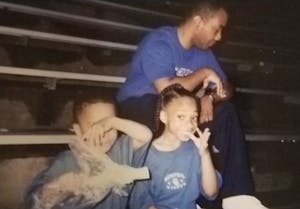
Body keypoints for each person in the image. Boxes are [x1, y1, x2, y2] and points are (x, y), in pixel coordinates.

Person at [116, 0, 268, 208]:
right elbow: (166, 91)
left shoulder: (204, 53)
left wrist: (210, 97)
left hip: (181, 110)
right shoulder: (160, 42)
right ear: (198, 22)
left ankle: (238, 198)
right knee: (163, 109)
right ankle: (162, 199)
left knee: (227, 113)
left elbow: (227, 87)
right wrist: (204, 73)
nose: (219, 37)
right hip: (139, 106)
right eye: (217, 29)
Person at [23, 93, 152, 209]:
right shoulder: (67, 160)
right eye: (95, 127)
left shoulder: (120, 148)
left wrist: (112, 121)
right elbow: (37, 200)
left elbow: (145, 135)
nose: (103, 134)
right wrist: (61, 185)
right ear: (78, 130)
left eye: (109, 127)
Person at [129, 84, 221, 209]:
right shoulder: (146, 156)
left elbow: (211, 193)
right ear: (164, 117)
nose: (189, 124)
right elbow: (141, 202)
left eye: (193, 117)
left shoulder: (194, 149)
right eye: (181, 117)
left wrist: (205, 154)